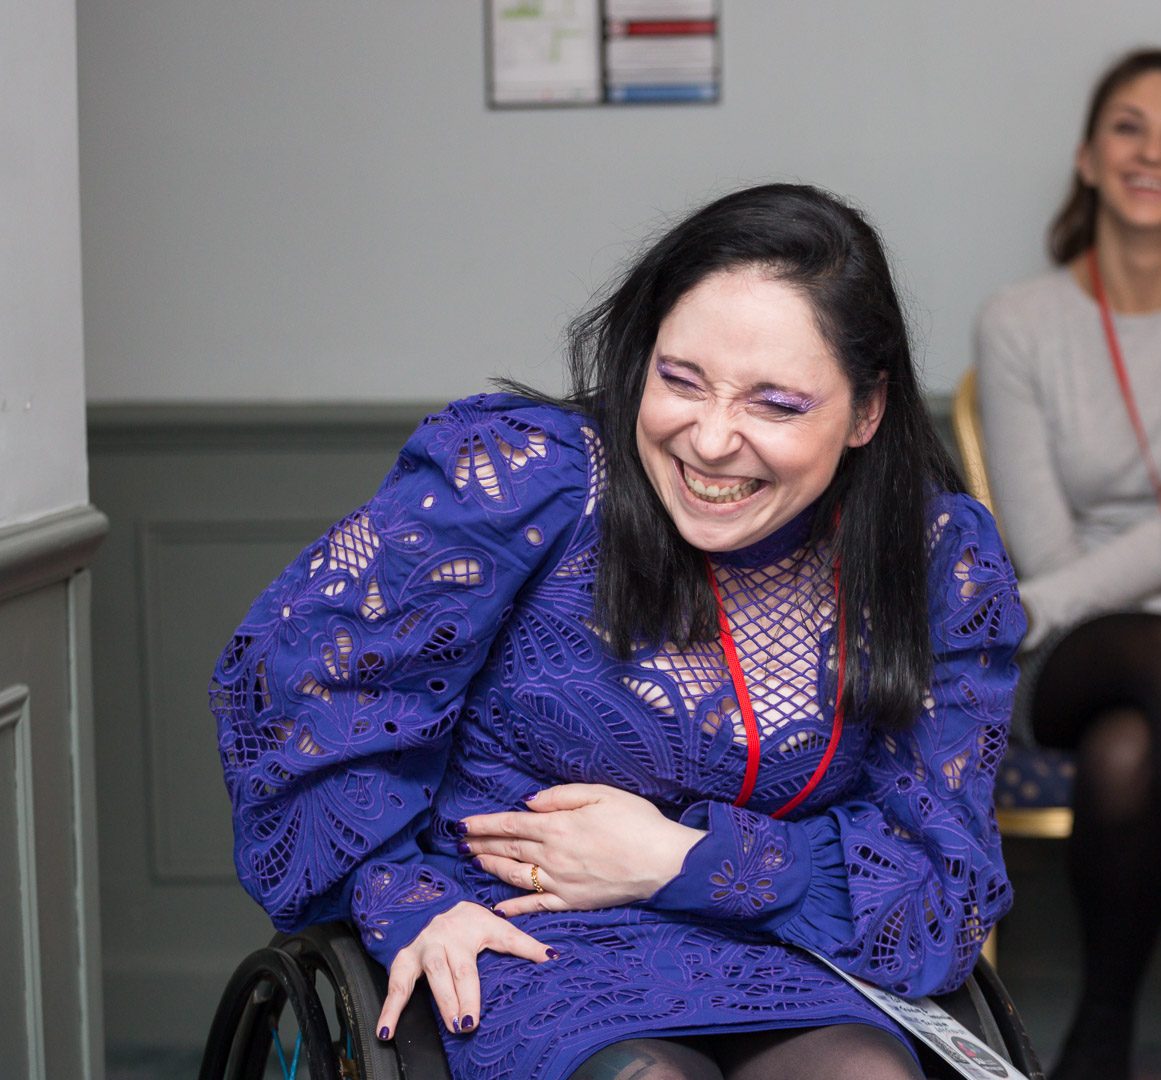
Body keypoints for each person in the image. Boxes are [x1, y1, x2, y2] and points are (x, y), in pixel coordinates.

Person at [212, 183, 1024, 1080]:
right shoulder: (531, 482)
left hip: (779, 946)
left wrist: (678, 858)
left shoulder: (932, 561)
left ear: (866, 412)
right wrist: (408, 901)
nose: (711, 440)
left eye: (775, 405)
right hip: (518, 937)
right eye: (680, 382)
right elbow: (299, 686)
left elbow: (937, 886)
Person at [975, 48, 1161, 1080]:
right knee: (1134, 674)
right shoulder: (1022, 322)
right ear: (1090, 158)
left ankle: (1098, 1030)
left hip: (1120, 684)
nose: (1153, 152)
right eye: (1131, 126)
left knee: (1130, 755)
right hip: (1072, 645)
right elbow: (1043, 558)